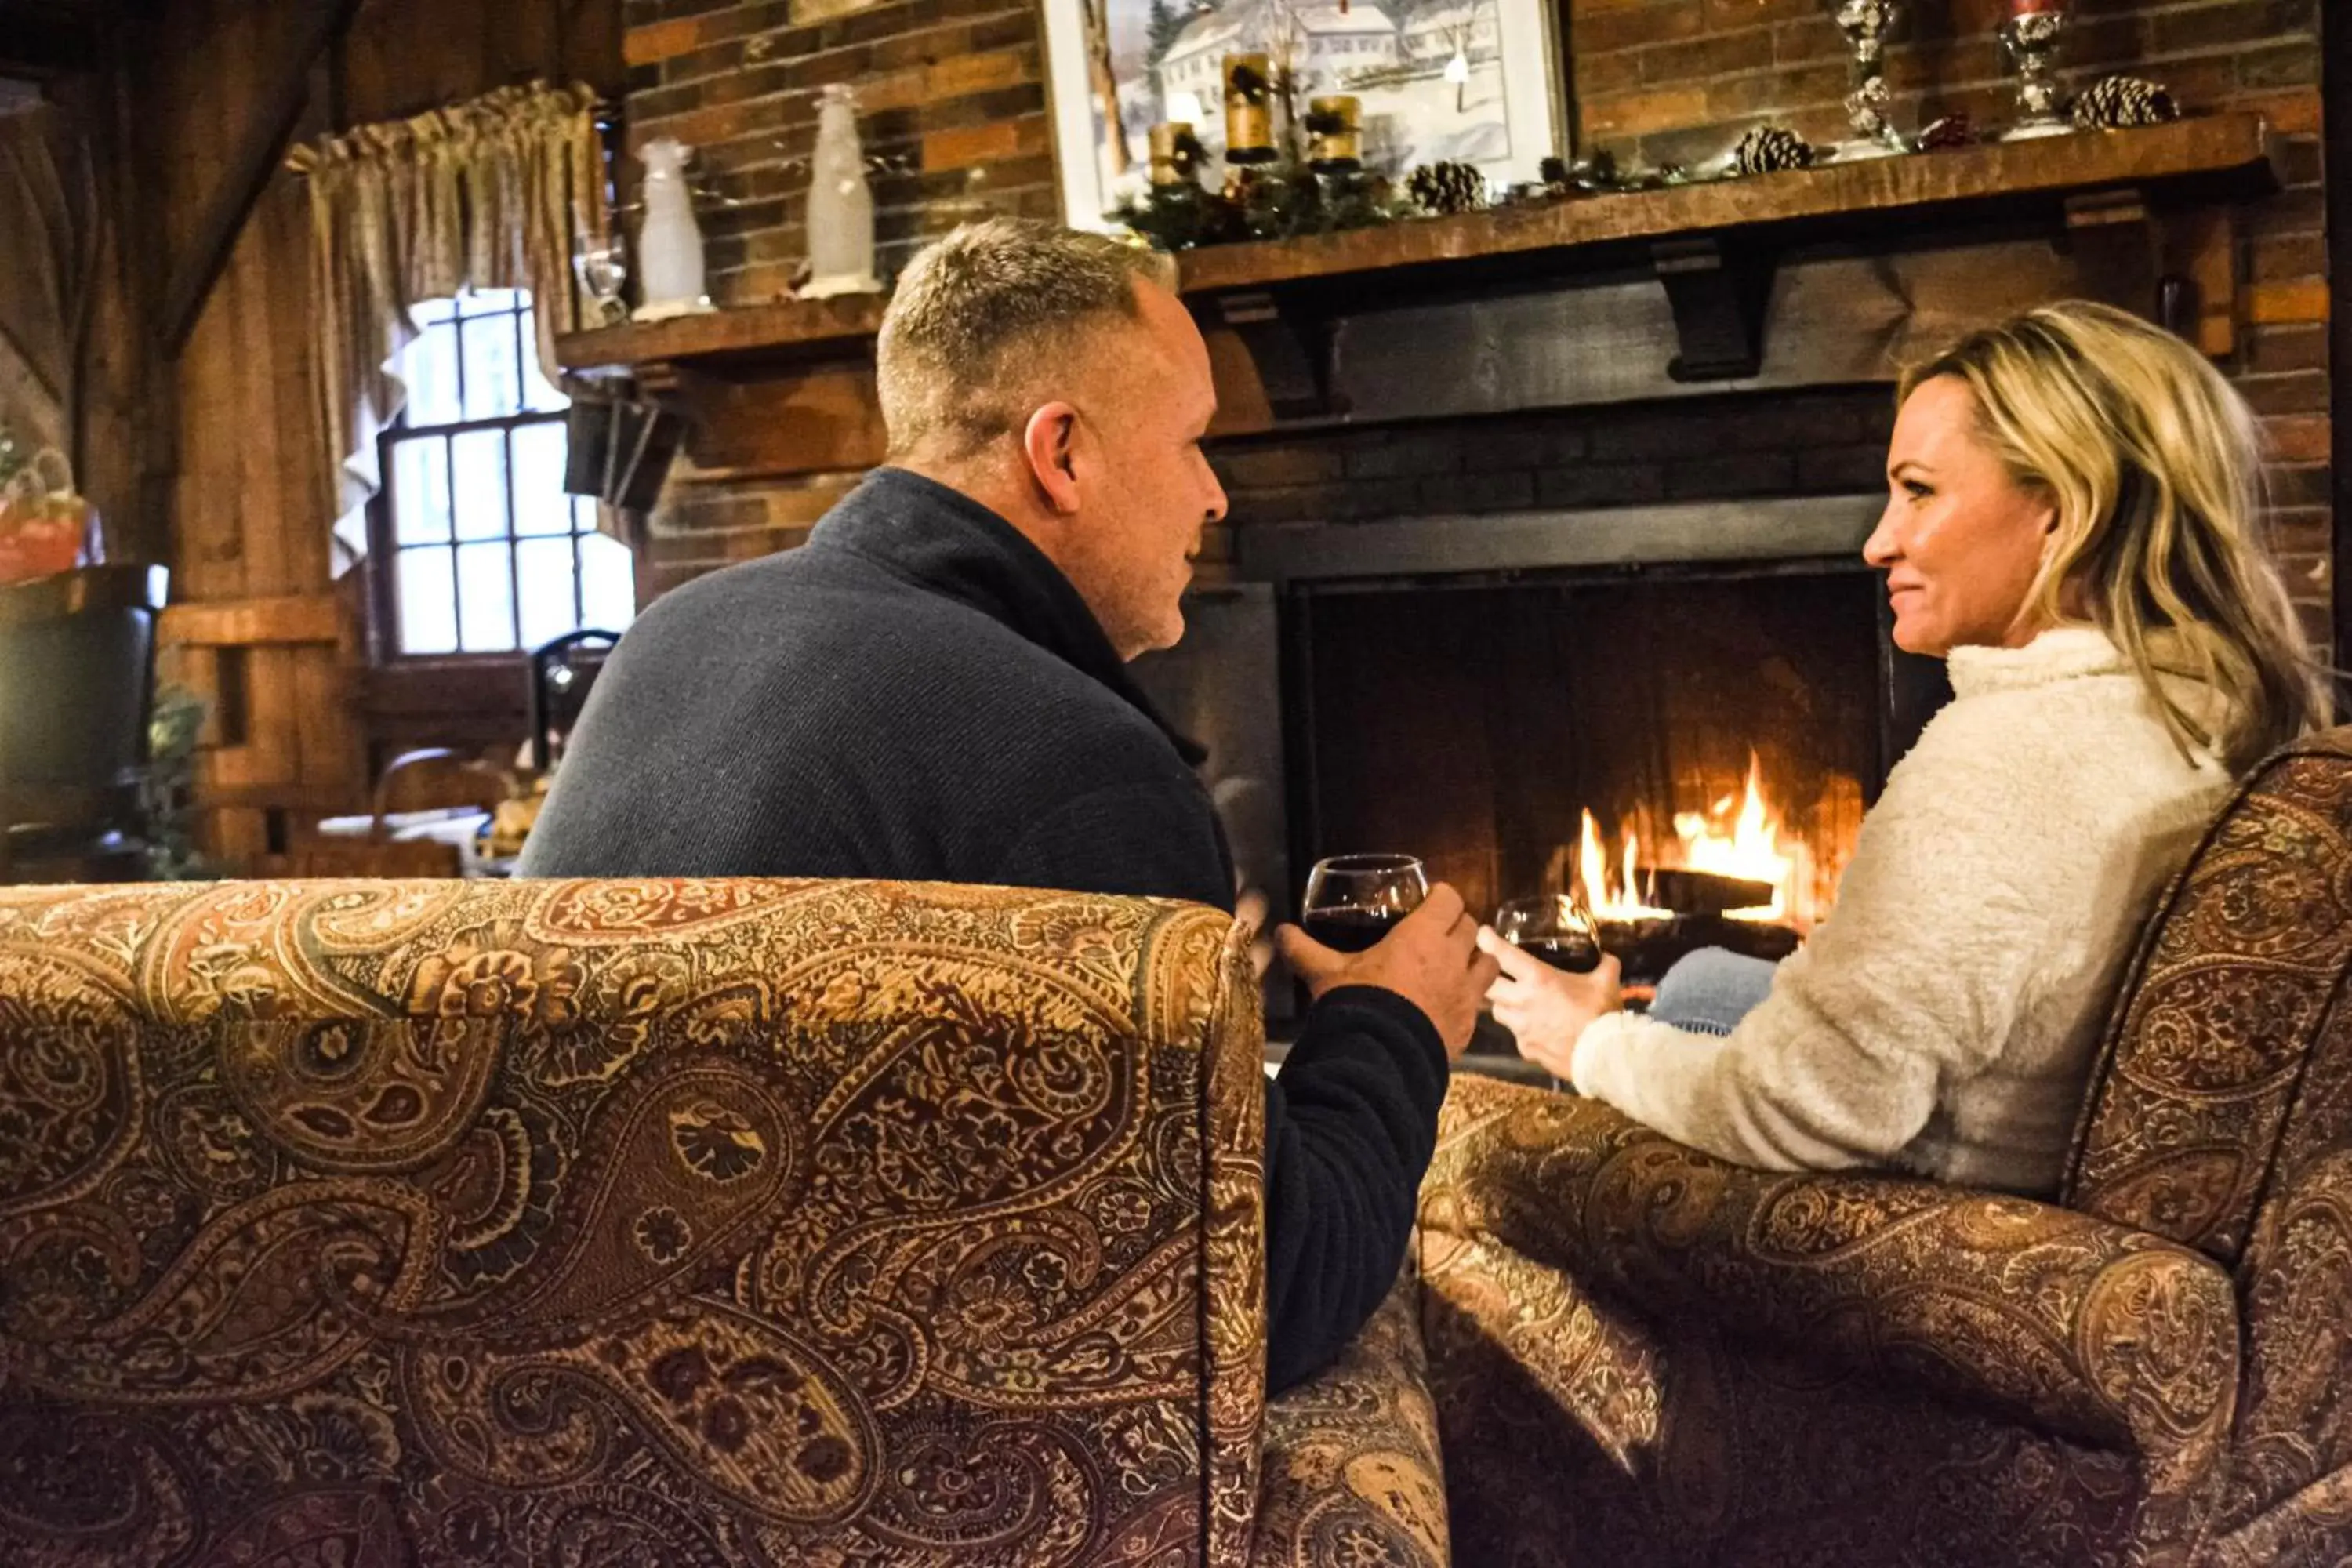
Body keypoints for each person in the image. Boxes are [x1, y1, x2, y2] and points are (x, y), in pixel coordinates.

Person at [521, 217, 1497, 1392]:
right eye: (1192, 442)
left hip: (559, 1418)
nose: (1216, 496)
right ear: (1063, 453)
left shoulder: (673, 633)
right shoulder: (1074, 766)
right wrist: (1393, 1025)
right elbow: (1260, 1305)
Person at [1483, 300, 2327, 1195]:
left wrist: (1586, 1042)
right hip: (2018, 1115)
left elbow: (1806, 1107)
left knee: (1647, 1027)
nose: (1876, 541)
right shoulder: (2210, 706)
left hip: (1940, 1197)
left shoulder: (2002, 765)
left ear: (2064, 508)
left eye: (1918, 490)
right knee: (1701, 978)